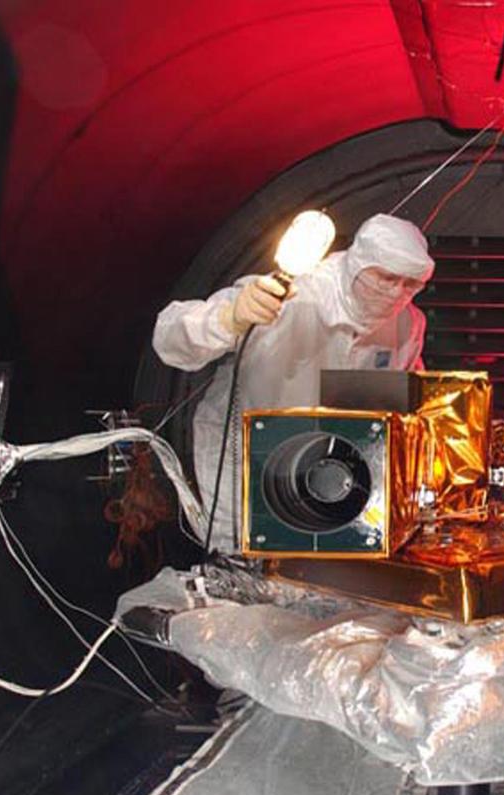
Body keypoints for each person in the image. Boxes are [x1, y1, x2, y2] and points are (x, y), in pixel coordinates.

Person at [152, 213, 434, 551]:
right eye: (386, 277)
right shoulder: (289, 298)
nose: (396, 292)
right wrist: (229, 318)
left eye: (410, 284)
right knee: (243, 562)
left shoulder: (407, 325)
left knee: (318, 572)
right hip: (245, 463)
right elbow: (168, 336)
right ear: (358, 263)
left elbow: (405, 406)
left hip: (332, 473)